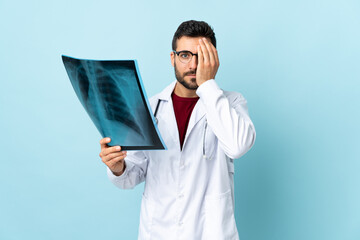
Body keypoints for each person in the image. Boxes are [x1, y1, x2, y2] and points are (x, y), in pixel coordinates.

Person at [99, 20, 256, 240]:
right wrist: (118, 167)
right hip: (158, 232)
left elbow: (237, 146)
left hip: (210, 232)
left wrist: (208, 86)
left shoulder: (231, 103)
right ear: (173, 58)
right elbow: (131, 176)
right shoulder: (149, 108)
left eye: (201, 56)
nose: (193, 65)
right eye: (185, 55)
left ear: (213, 60)